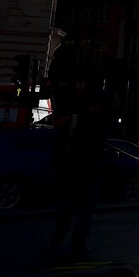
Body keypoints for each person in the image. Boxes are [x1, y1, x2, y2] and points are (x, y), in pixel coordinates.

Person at [51, 86, 114, 259]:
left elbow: (62, 145)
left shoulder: (78, 120)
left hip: (78, 171)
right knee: (83, 212)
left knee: (71, 209)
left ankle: (64, 237)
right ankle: (77, 241)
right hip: (86, 172)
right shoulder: (100, 122)